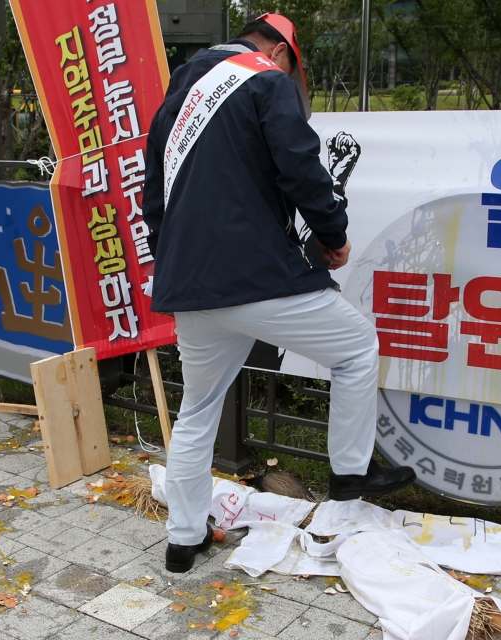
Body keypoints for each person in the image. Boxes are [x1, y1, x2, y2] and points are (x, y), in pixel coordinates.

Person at [142, 14, 416, 573]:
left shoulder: (177, 97)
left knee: (196, 411)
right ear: (282, 52)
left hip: (190, 285)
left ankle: (183, 541)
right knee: (357, 347)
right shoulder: (266, 79)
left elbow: (153, 195)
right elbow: (301, 166)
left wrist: (173, 259)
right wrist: (333, 235)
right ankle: (349, 473)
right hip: (257, 276)